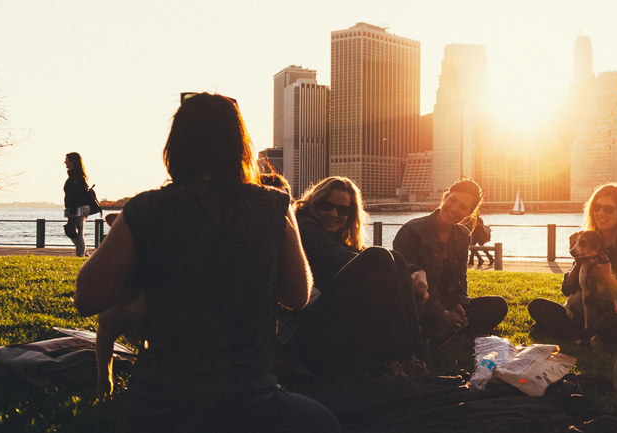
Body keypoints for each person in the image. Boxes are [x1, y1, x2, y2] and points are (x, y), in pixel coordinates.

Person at [73, 92, 340, 432]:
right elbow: (298, 295)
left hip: (157, 405)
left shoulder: (144, 209)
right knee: (327, 423)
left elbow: (87, 298)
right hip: (245, 400)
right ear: (241, 147)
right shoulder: (273, 205)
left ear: (175, 147)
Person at [281, 176, 428, 383]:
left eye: (343, 210)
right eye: (327, 206)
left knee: (396, 258)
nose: (334, 214)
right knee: (379, 258)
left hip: (323, 323)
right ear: (315, 204)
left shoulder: (335, 236)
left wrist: (416, 271)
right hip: (302, 332)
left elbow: (362, 254)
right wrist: (397, 277)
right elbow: (349, 261)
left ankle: (409, 358)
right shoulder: (305, 228)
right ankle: (402, 358)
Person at [527, 183, 617, 346]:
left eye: (608, 209)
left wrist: (608, 280)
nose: (600, 213)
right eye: (597, 207)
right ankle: (586, 338)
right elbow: (567, 290)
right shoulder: (588, 240)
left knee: (611, 322)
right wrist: (577, 266)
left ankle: (573, 336)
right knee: (537, 306)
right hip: (591, 313)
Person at [393, 178, 508, 340]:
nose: (454, 209)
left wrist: (459, 304)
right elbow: (405, 283)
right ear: (445, 197)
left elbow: (460, 280)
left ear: (469, 213)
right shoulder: (412, 230)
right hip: (419, 304)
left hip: (446, 303)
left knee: (497, 305)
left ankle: (446, 330)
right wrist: (443, 313)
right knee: (412, 311)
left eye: (463, 207)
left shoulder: (463, 235)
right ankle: (444, 330)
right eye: (452, 200)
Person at [63, 152, 91, 257]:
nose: (65, 162)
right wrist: (68, 212)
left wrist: (73, 212)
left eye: (67, 159)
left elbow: (77, 196)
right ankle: (85, 252)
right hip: (69, 208)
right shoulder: (72, 175)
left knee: (79, 233)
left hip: (79, 208)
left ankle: (80, 256)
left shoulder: (78, 177)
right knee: (69, 230)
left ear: (72, 161)